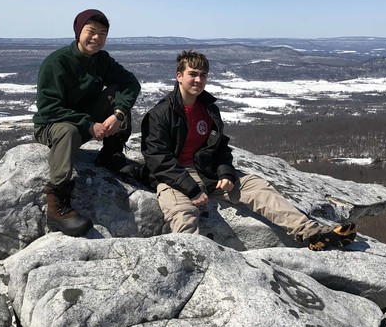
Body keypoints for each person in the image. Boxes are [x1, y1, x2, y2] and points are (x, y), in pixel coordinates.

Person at [140, 50, 356, 251]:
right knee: (183, 213)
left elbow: (220, 147)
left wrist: (225, 173)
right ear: (179, 76)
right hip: (174, 177)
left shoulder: (208, 108)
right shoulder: (161, 114)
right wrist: (191, 189)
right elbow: (158, 159)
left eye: (203, 75)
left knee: (258, 186)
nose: (198, 80)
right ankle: (193, 260)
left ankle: (310, 232)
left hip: (206, 172)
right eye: (193, 74)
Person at [33, 9, 141, 237]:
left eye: (103, 34)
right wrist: (88, 124)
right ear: (78, 31)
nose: (97, 38)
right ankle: (57, 204)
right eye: (91, 31)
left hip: (87, 120)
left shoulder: (101, 60)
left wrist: (118, 114)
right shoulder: (57, 63)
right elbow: (49, 108)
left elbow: (129, 82)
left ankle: (111, 155)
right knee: (69, 130)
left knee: (118, 94)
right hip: (53, 125)